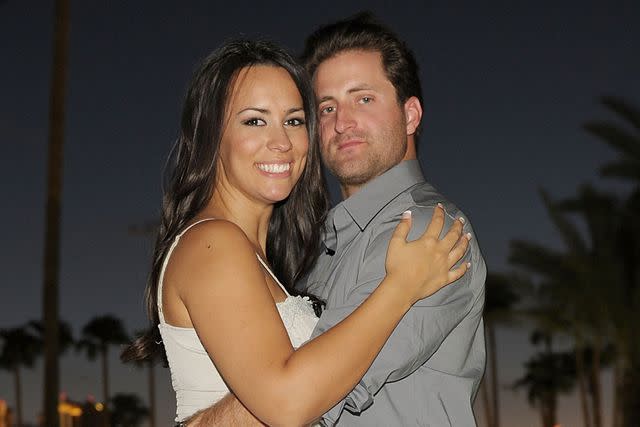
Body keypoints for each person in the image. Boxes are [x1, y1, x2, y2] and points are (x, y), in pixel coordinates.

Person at [122, 39, 471, 426]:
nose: (281, 142)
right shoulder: (214, 243)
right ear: (212, 135)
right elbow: (287, 402)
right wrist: (400, 288)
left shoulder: (259, 254)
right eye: (254, 120)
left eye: (293, 120)